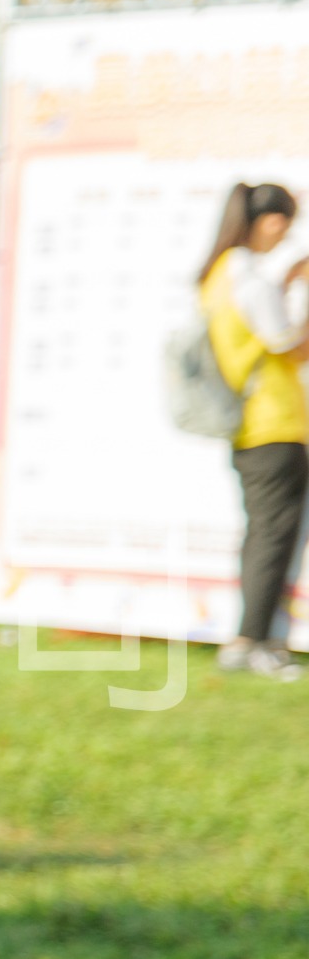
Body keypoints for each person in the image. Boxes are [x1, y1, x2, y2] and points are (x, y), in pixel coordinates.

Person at [200, 181, 309, 680]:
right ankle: (257, 642)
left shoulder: (219, 273)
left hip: (250, 423)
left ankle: (248, 637)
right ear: (271, 221)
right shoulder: (248, 273)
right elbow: (284, 338)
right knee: (274, 535)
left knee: (261, 532)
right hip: (274, 420)